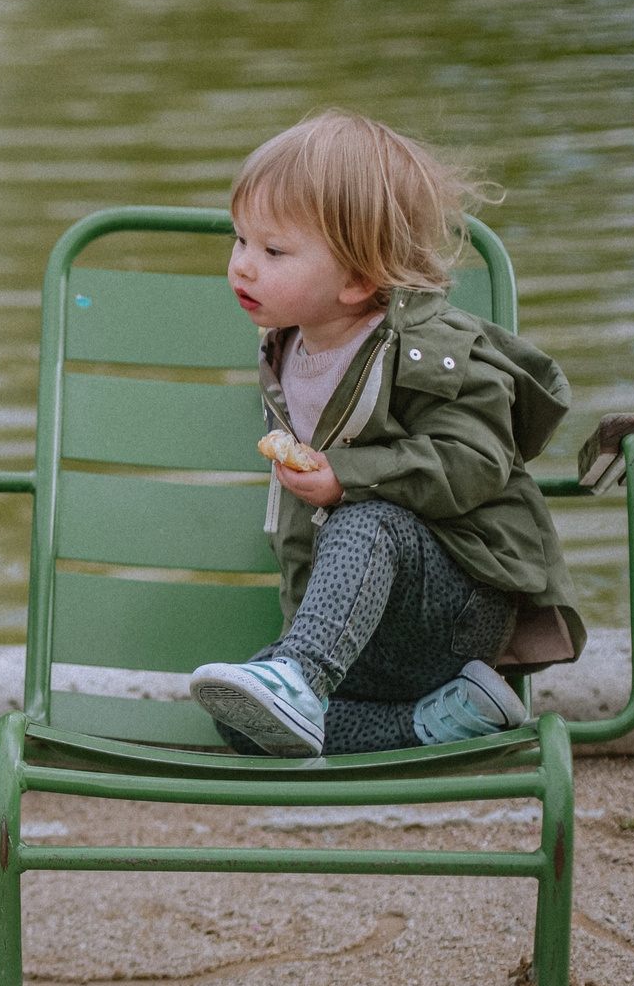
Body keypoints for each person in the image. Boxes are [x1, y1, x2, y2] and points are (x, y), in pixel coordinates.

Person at [187, 109, 585, 758]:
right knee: (237, 718)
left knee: (366, 517)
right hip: (356, 638)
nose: (243, 267)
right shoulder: (284, 350)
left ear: (358, 279)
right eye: (239, 241)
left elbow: (476, 458)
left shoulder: (432, 350)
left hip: (452, 609)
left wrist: (348, 476)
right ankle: (432, 722)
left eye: (273, 250)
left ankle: (300, 676)